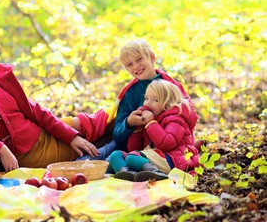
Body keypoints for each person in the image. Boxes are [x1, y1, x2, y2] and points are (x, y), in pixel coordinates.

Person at [0, 27, 99, 172]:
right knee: (97, 145)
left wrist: (71, 136)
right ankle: (119, 161)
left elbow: (34, 110)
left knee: (101, 122)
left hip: (43, 129)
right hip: (30, 152)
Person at [74, 39, 199, 169]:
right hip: (130, 143)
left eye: (139, 59)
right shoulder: (129, 93)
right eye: (129, 64)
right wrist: (129, 123)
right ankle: (86, 168)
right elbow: (118, 134)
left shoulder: (170, 87)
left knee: (109, 163)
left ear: (151, 57)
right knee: (91, 160)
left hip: (164, 144)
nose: (136, 66)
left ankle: (130, 169)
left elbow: (185, 119)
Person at [108, 79, 199, 182]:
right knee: (115, 156)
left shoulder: (176, 119)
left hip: (173, 158)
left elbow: (167, 143)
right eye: (146, 98)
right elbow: (135, 148)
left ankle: (155, 173)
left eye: (155, 100)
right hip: (153, 156)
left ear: (168, 104)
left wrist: (151, 123)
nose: (148, 103)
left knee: (132, 158)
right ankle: (128, 173)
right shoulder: (153, 119)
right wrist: (137, 129)